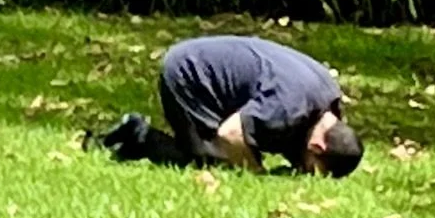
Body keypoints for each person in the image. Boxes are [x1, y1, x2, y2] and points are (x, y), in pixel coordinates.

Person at [91, 33, 364, 176]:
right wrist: (257, 174)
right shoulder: (287, 110)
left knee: (249, 149)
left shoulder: (327, 100)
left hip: (215, 66)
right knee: (210, 163)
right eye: (311, 169)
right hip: (190, 74)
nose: (304, 172)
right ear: (317, 147)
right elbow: (231, 133)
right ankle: (138, 135)